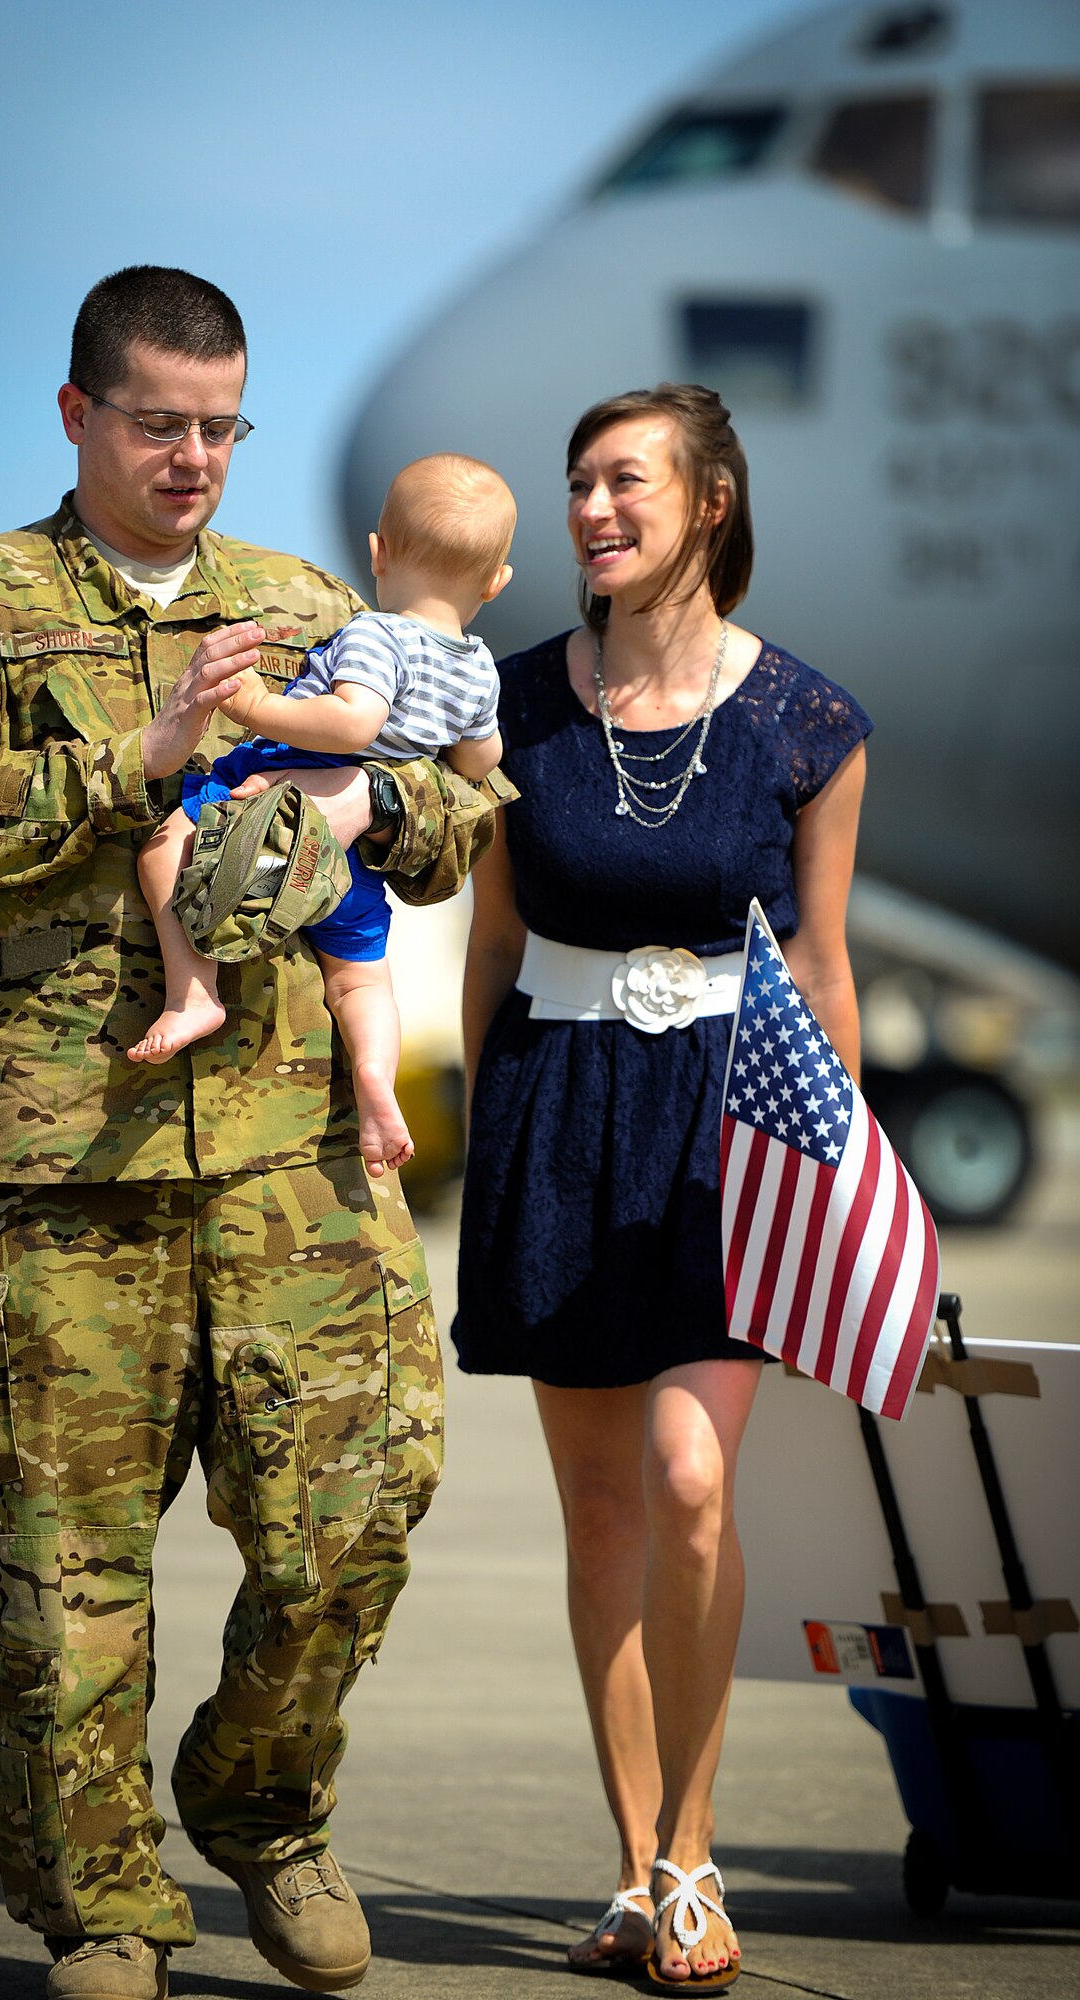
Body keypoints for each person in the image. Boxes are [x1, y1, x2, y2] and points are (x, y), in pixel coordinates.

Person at [0, 264, 506, 2000]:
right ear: (79, 415)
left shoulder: (304, 605)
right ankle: (105, 1911)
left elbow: (451, 805)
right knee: (65, 1573)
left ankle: (259, 1800)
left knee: (356, 1514)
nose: (194, 456)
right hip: (75, 1171)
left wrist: (390, 788)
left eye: (222, 426)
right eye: (160, 423)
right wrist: (134, 756)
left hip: (297, 1160)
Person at [453, 385, 870, 1991]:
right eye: (575, 483)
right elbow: (489, 945)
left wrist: (838, 1176)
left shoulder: (809, 721)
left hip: (733, 1122)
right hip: (557, 1107)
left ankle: (696, 1852)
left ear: (707, 501)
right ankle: (633, 1869)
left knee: (691, 1484)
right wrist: (488, 1137)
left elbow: (821, 968)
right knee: (604, 1511)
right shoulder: (507, 710)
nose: (588, 507)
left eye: (623, 479)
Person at [127, 452, 514, 1180]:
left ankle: (193, 991)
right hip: (357, 859)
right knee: (361, 980)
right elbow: (480, 759)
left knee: (163, 846)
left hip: (274, 801)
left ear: (379, 551)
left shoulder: (374, 633)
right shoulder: (479, 666)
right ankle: (374, 1079)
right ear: (496, 583)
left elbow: (351, 722)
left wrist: (250, 705)